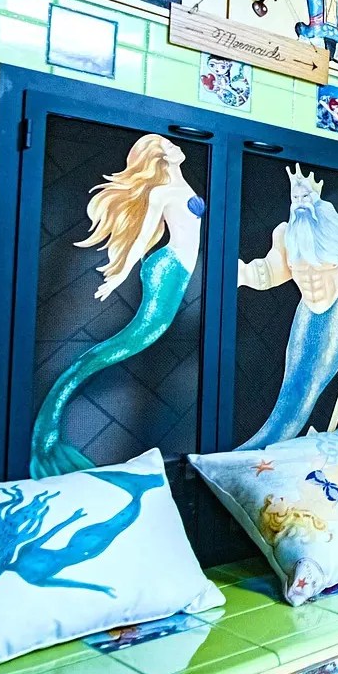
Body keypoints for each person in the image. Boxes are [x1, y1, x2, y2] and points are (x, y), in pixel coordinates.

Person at [30, 134, 202, 478]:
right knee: (131, 341)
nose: (174, 147)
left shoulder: (179, 185)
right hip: (168, 270)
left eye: (169, 145)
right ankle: (50, 424)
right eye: (165, 147)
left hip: (181, 271)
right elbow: (142, 238)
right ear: (158, 159)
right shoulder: (161, 193)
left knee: (136, 343)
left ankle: (64, 398)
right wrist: (119, 275)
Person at [236, 164, 338, 450]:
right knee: (290, 392)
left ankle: (262, 451)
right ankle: (263, 450)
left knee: (305, 392)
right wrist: (243, 273)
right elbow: (275, 270)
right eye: (296, 198)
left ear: (317, 198)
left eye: (306, 197)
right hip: (306, 312)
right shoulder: (286, 233)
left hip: (334, 314)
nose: (300, 203)